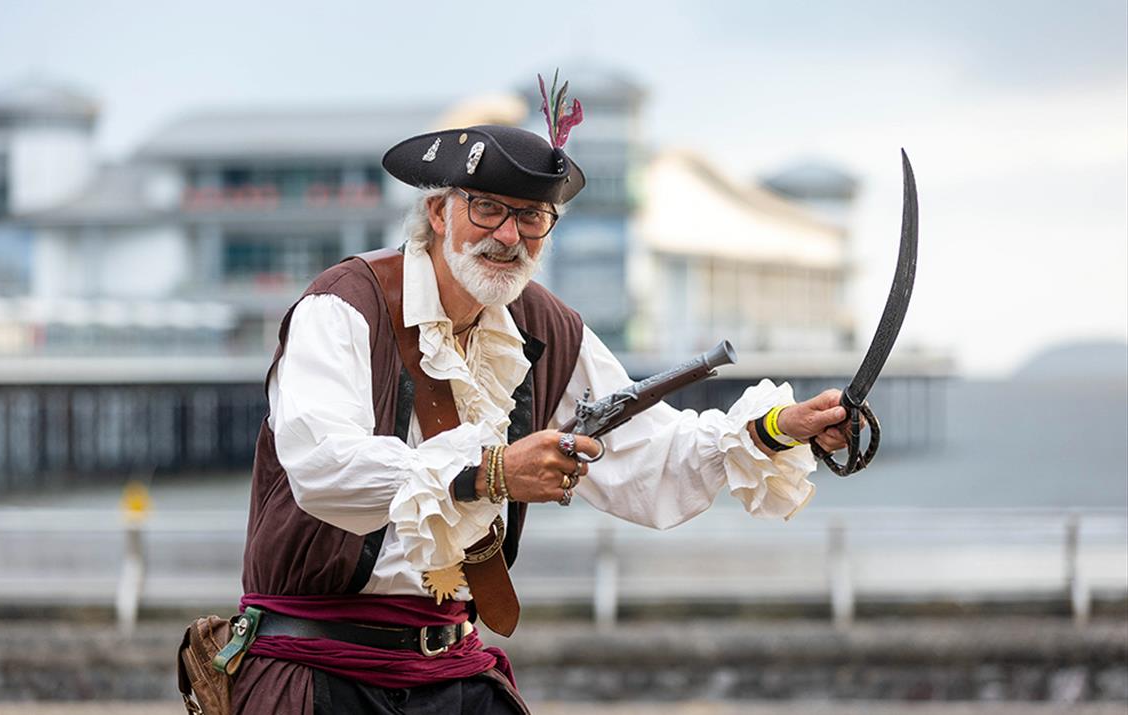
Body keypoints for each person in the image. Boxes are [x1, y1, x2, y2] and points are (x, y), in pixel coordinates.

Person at [229, 83, 858, 715]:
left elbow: (646, 455)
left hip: (451, 668)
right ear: (440, 212)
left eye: (531, 217)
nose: (508, 234)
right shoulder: (342, 305)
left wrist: (776, 428)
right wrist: (491, 472)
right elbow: (323, 468)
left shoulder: (548, 329)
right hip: (312, 669)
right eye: (487, 209)